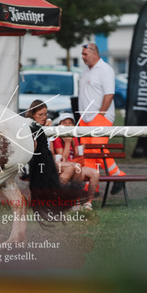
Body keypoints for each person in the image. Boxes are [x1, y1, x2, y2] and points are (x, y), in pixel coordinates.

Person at [78, 42, 125, 194]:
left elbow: (109, 94)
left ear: (94, 53)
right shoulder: (85, 70)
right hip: (85, 118)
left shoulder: (105, 69)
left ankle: (118, 176)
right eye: (82, 54)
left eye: (85, 54)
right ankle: (92, 187)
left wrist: (101, 115)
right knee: (87, 154)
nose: (82, 57)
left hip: (100, 117)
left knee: (97, 150)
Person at [53, 112, 100, 210]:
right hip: (65, 167)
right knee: (78, 170)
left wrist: (80, 150)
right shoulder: (57, 138)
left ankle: (88, 203)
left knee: (95, 173)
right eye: (64, 123)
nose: (67, 125)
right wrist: (67, 143)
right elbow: (63, 159)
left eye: (70, 123)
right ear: (59, 125)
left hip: (76, 164)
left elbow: (79, 157)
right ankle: (74, 201)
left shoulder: (74, 137)